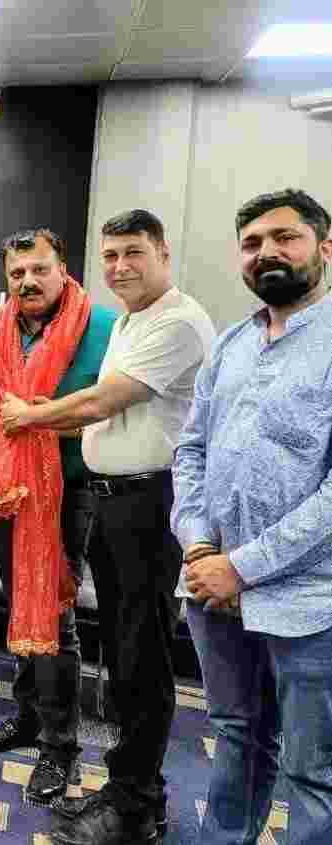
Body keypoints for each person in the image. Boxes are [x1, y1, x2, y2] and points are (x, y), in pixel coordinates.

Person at [2, 210, 214, 844]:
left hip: (152, 504)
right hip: (116, 502)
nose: (120, 267)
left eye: (133, 253)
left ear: (163, 253)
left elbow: (103, 399)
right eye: (112, 256)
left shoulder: (177, 322)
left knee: (143, 658)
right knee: (124, 654)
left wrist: (29, 417)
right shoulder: (128, 321)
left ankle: (137, 806)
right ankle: (130, 790)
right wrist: (54, 415)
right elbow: (99, 416)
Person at [172, 189, 332, 845]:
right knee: (236, 735)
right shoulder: (232, 342)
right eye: (251, 243)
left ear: (324, 247)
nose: (266, 251)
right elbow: (190, 449)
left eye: (284, 237)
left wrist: (241, 566)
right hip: (210, 585)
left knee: (313, 769)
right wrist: (196, 544)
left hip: (310, 599)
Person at [0, 228, 117, 802]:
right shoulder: (2, 325)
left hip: (70, 491)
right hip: (8, 487)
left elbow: (114, 414)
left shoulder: (103, 327)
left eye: (39, 269)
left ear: (62, 269)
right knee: (19, 604)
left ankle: (60, 746)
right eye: (17, 273)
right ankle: (29, 717)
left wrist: (41, 418)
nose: (28, 281)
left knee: (53, 614)